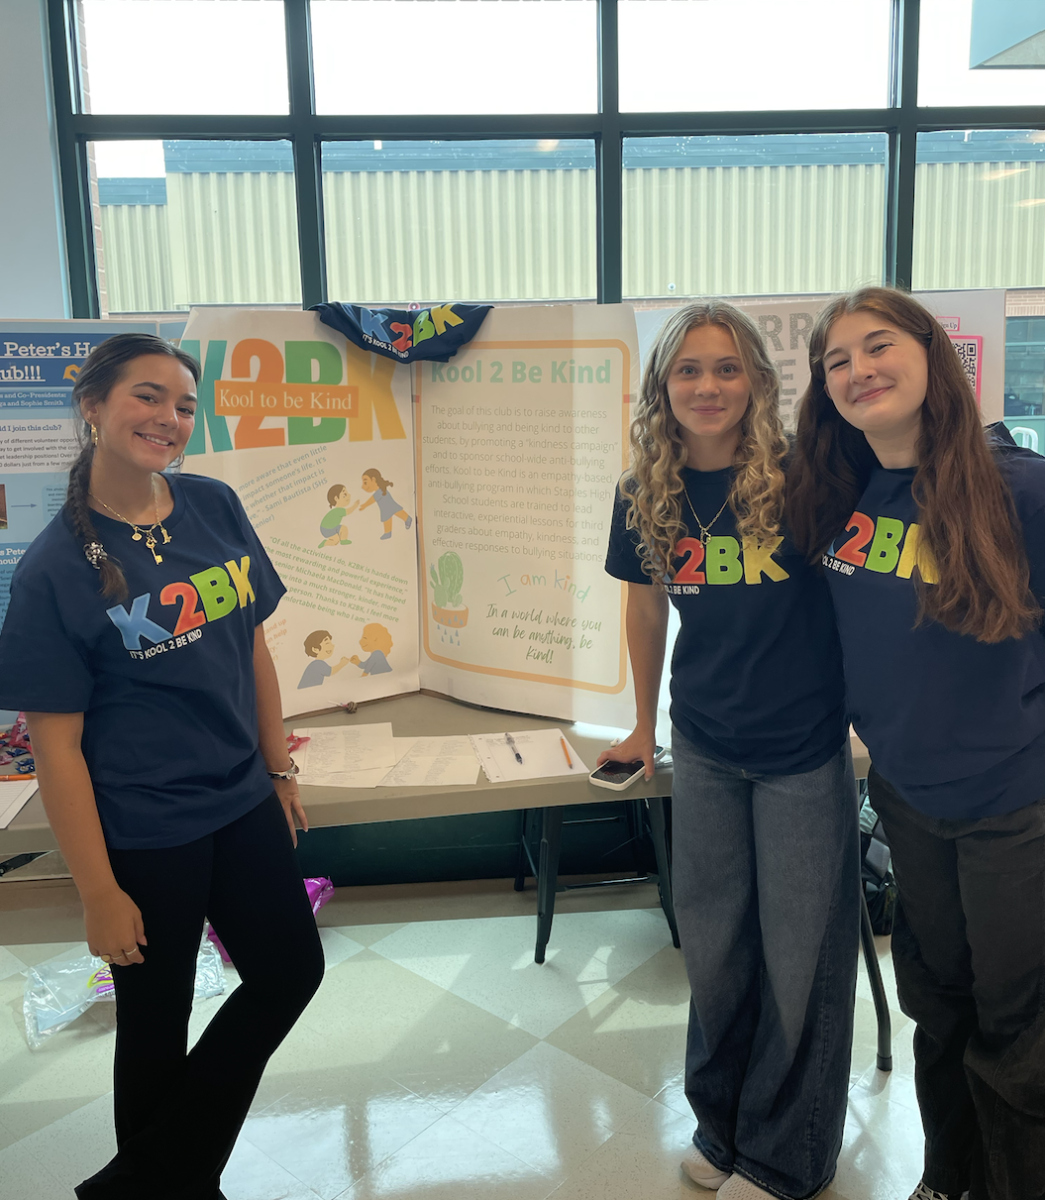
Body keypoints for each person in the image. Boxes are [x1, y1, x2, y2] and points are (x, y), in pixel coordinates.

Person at [0, 333, 325, 1200]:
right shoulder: (53, 572)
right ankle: (183, 1185)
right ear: (93, 405)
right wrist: (97, 892)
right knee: (156, 1017)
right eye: (148, 397)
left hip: (241, 798)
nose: (169, 419)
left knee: (292, 973)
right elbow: (55, 749)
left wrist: (278, 769)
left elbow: (251, 641)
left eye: (184, 405)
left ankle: (147, 1180)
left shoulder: (211, 506)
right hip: (144, 827)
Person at [787, 286, 1045, 1200]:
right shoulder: (845, 496)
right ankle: (946, 1179)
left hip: (1014, 808)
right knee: (937, 1003)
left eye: (879, 344)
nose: (859, 369)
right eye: (836, 361)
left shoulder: (1017, 487)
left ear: (933, 357)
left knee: (1019, 1028)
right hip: (906, 797)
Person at [600, 302, 860, 1200]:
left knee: (801, 960)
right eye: (687, 370)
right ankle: (724, 1126)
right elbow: (641, 607)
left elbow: (861, 597)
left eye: (725, 368)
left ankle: (788, 1158)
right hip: (704, 745)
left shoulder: (806, 480)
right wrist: (641, 723)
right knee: (713, 949)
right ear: (660, 387)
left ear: (755, 379)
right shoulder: (644, 492)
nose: (706, 387)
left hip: (800, 752)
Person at [359, 467, 412, 539]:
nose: (363, 486)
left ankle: (391, 530)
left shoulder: (379, 492)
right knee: (392, 515)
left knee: (393, 514)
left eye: (365, 482)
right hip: (386, 507)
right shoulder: (380, 491)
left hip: (387, 506)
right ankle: (389, 531)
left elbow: (372, 499)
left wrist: (365, 505)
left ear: (373, 480)